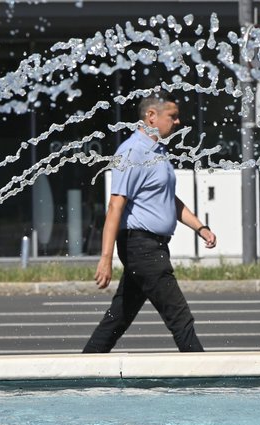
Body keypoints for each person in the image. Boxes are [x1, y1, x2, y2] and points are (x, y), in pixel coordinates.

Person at [83, 92, 217, 353]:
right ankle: (202, 374)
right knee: (178, 314)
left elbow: (168, 198)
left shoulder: (158, 151)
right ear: (151, 116)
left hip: (151, 246)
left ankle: (84, 366)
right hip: (141, 246)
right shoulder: (132, 152)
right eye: (172, 116)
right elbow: (115, 206)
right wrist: (105, 258)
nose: (177, 122)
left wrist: (200, 227)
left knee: (119, 317)